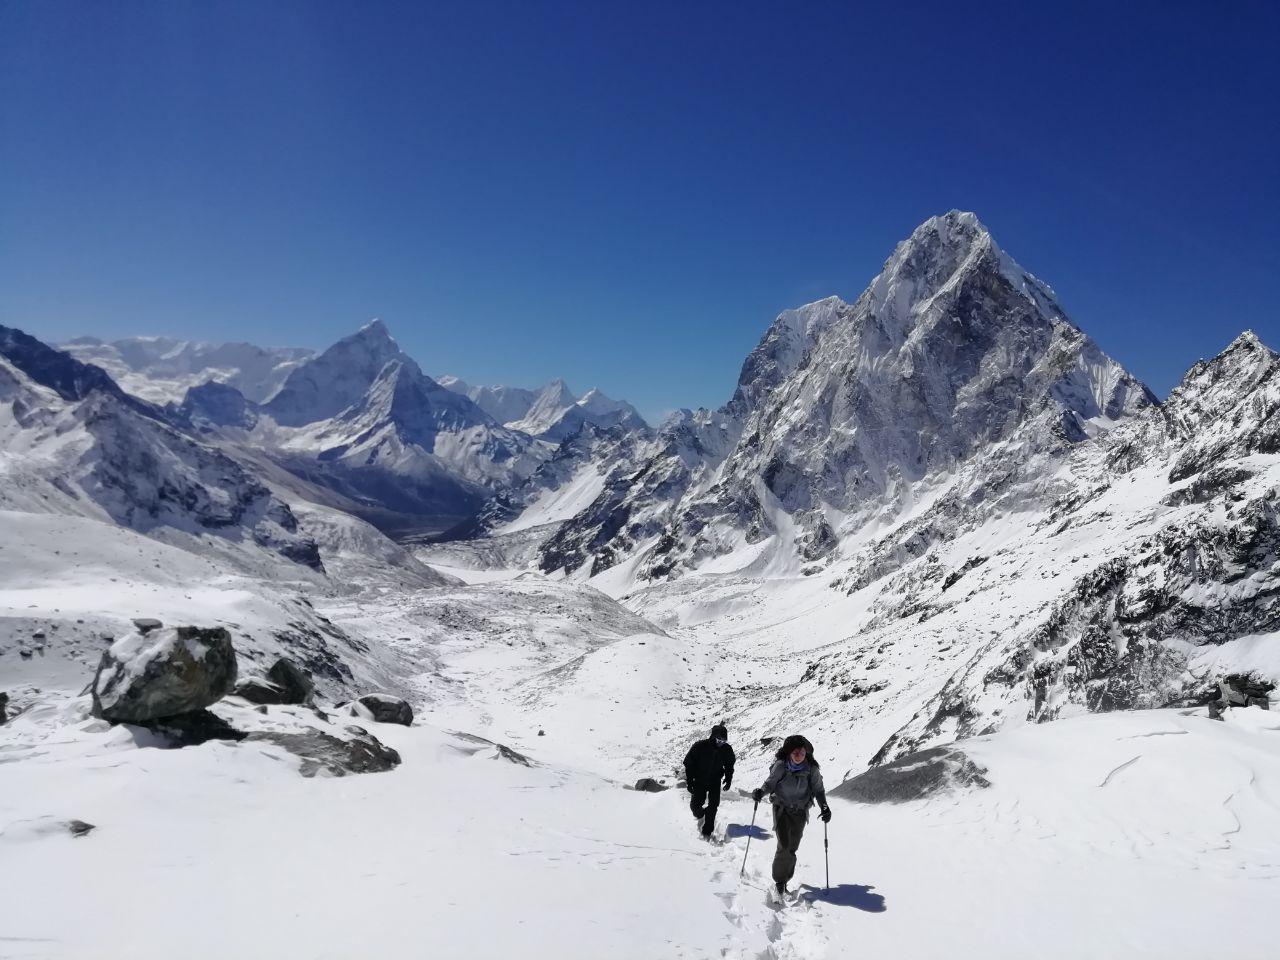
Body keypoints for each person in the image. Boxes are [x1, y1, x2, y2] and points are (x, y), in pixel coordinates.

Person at [752, 734, 831, 900]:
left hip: (800, 812)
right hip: (781, 808)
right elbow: (770, 784)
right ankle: (779, 883)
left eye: (802, 753)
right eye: (796, 753)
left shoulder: (811, 769)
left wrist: (824, 806)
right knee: (784, 844)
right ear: (789, 752)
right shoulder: (781, 766)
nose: (799, 756)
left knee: (792, 848)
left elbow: (818, 790)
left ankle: (785, 881)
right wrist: (760, 792)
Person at [683, 723, 735, 839]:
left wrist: (728, 778)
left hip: (715, 781)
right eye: (719, 740)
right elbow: (688, 763)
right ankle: (701, 815)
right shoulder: (699, 746)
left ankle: (707, 832)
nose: (721, 743)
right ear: (712, 737)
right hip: (699, 780)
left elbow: (729, 765)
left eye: (724, 741)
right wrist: (690, 781)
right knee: (695, 806)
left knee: (713, 806)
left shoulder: (726, 749)